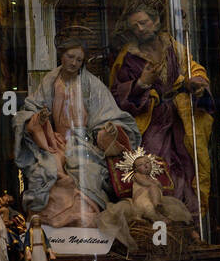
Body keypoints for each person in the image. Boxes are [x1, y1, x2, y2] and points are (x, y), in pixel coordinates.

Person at [15, 41, 140, 227]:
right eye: (70, 57)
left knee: (87, 170)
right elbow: (31, 111)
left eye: (79, 60)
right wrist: (38, 119)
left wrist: (109, 130)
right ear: (61, 56)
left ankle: (84, 218)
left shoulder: (92, 84)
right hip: (55, 141)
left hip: (85, 143)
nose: (74, 63)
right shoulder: (50, 81)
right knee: (44, 170)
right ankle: (49, 222)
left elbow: (107, 115)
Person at [110, 0, 213, 220]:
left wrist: (194, 82)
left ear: (156, 22)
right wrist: (142, 83)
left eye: (144, 22)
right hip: (151, 121)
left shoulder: (173, 47)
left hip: (178, 117)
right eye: (135, 25)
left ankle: (188, 221)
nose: (140, 28)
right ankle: (159, 219)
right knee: (155, 166)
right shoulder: (128, 57)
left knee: (185, 166)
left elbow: (192, 68)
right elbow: (118, 95)